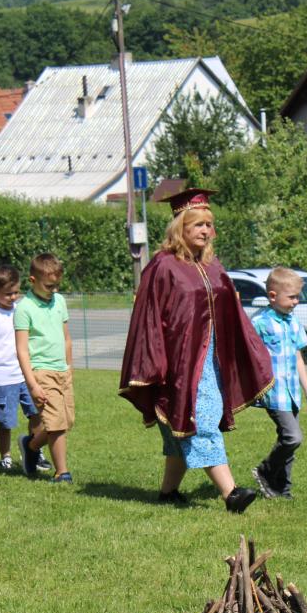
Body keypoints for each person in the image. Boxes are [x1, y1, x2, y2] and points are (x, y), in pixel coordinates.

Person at [119, 187, 273, 513]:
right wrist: (156, 362)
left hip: (211, 361)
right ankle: (231, 494)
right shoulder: (163, 266)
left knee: (182, 429)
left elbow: (230, 310)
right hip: (180, 363)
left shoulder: (212, 265)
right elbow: (149, 318)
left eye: (209, 224)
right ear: (181, 228)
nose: (206, 231)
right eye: (198, 225)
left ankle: (168, 493)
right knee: (199, 422)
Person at [0, 264, 48, 472]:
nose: (13, 297)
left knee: (36, 414)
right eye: (8, 294)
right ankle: (5, 457)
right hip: (3, 379)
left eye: (16, 292)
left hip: (26, 375)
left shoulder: (20, 310)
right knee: (6, 423)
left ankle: (34, 450)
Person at [249, 267, 307, 499]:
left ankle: (282, 490)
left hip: (292, 393)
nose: (296, 301)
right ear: (272, 296)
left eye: (298, 297)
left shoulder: (293, 322)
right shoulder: (260, 323)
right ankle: (265, 471)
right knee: (293, 437)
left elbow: (298, 359)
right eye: (291, 297)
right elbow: (248, 355)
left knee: (289, 443)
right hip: (274, 392)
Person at [14, 253, 75, 483]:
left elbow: (66, 338)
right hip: (41, 372)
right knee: (56, 424)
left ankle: (30, 446)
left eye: (57, 285)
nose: (54, 290)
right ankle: (62, 473)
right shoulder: (24, 308)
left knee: (66, 422)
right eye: (49, 286)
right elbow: (22, 350)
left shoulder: (59, 301)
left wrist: (69, 367)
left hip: (62, 371)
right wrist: (32, 384)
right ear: (32, 280)